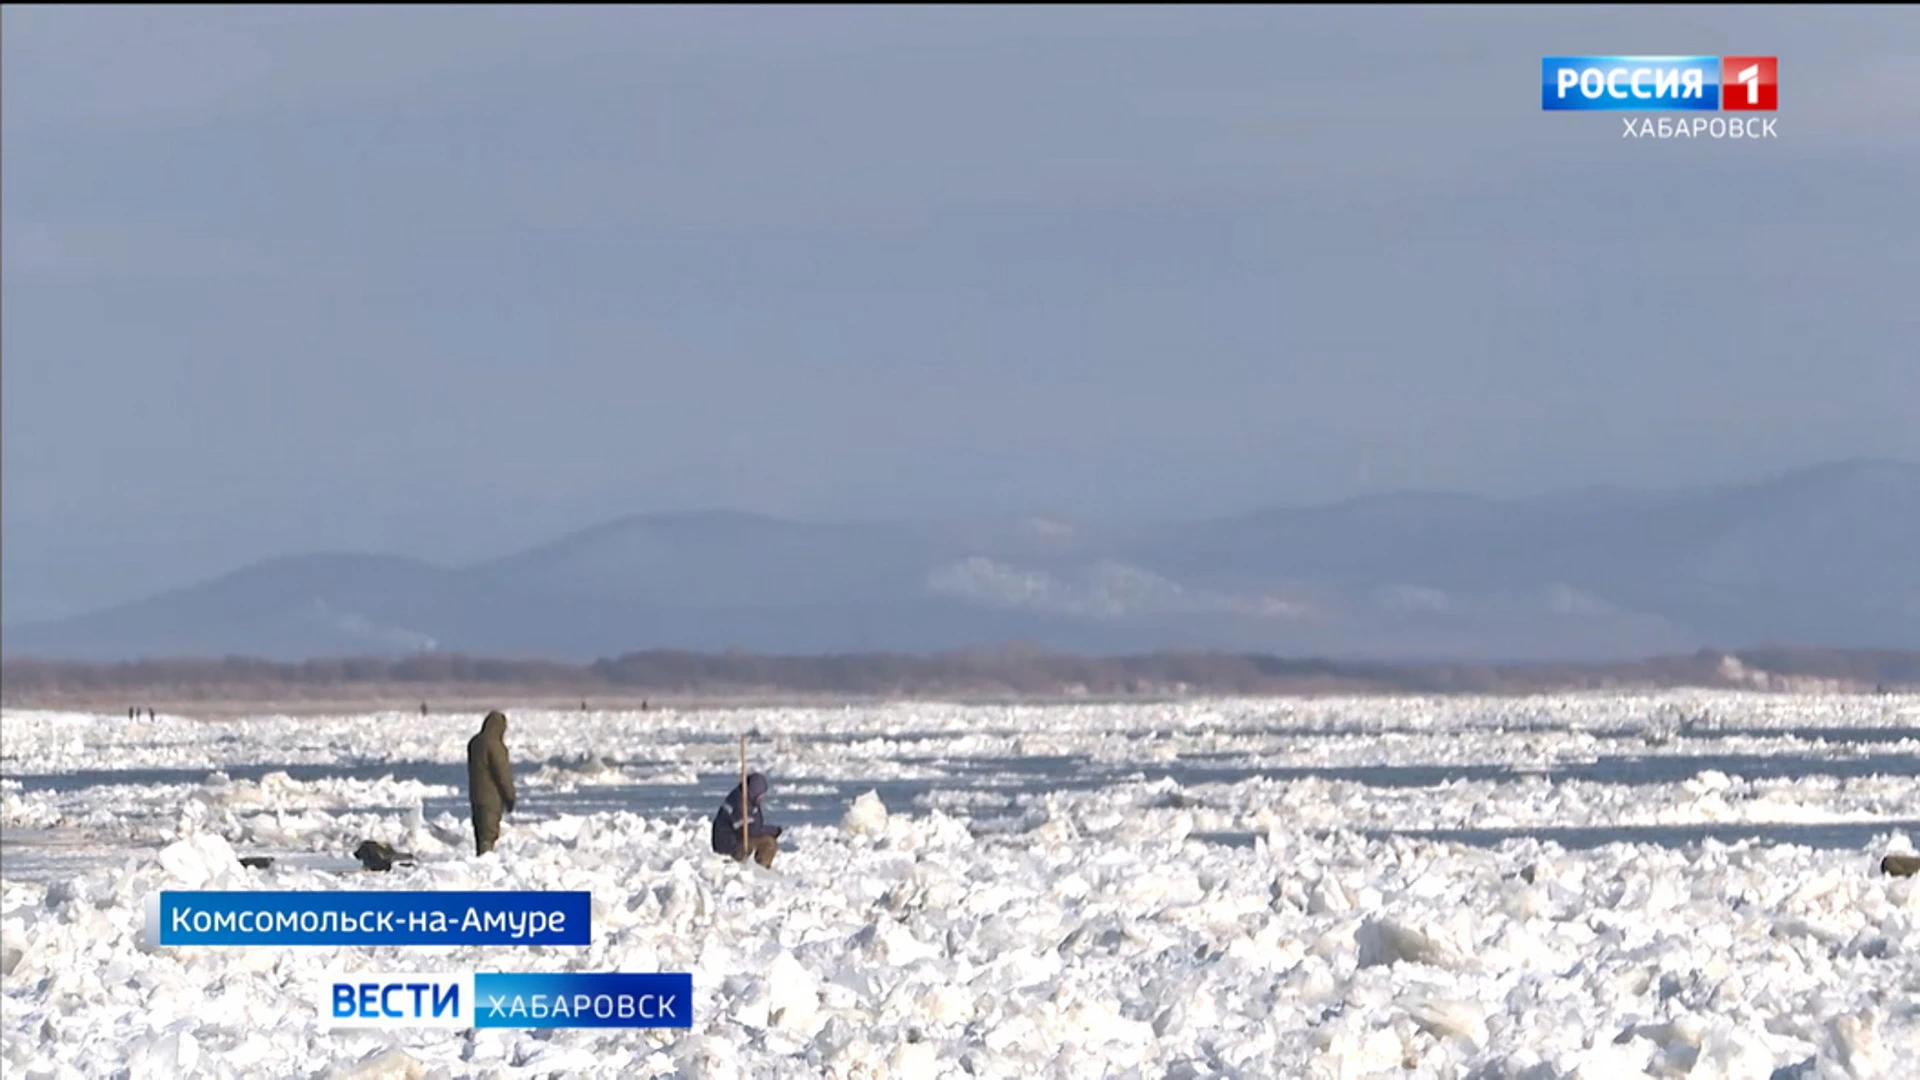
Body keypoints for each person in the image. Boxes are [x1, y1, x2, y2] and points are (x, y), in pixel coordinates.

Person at [466, 710, 516, 855]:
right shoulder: (495, 746)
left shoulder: (475, 743)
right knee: (488, 834)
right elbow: (502, 774)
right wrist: (510, 796)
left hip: (476, 795)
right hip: (491, 798)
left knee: (479, 832)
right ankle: (484, 865)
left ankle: (480, 859)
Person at [711, 771, 783, 868]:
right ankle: (760, 870)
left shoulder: (746, 798)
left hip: (735, 837)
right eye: (760, 794)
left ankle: (756, 865)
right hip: (729, 843)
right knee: (769, 843)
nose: (761, 797)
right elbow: (750, 829)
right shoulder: (740, 802)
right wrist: (774, 830)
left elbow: (754, 824)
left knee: (765, 839)